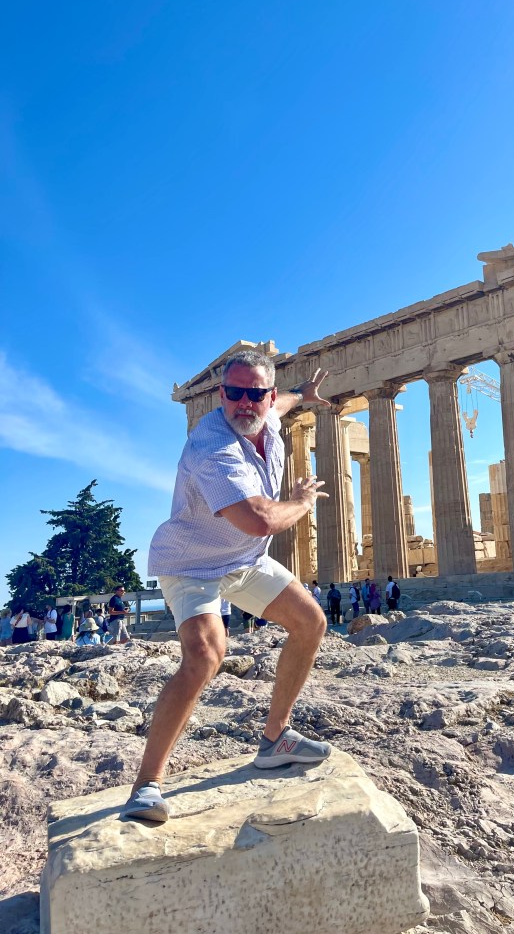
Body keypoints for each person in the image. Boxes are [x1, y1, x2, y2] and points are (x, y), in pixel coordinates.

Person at [125, 350, 333, 824]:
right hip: (192, 563)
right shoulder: (211, 446)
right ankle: (146, 785)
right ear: (221, 394)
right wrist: (301, 502)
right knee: (205, 654)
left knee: (310, 622)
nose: (243, 403)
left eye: (254, 394)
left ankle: (275, 739)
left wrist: (301, 395)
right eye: (234, 392)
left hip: (243, 560)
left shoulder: (268, 416)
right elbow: (259, 520)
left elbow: (281, 408)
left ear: (268, 396)